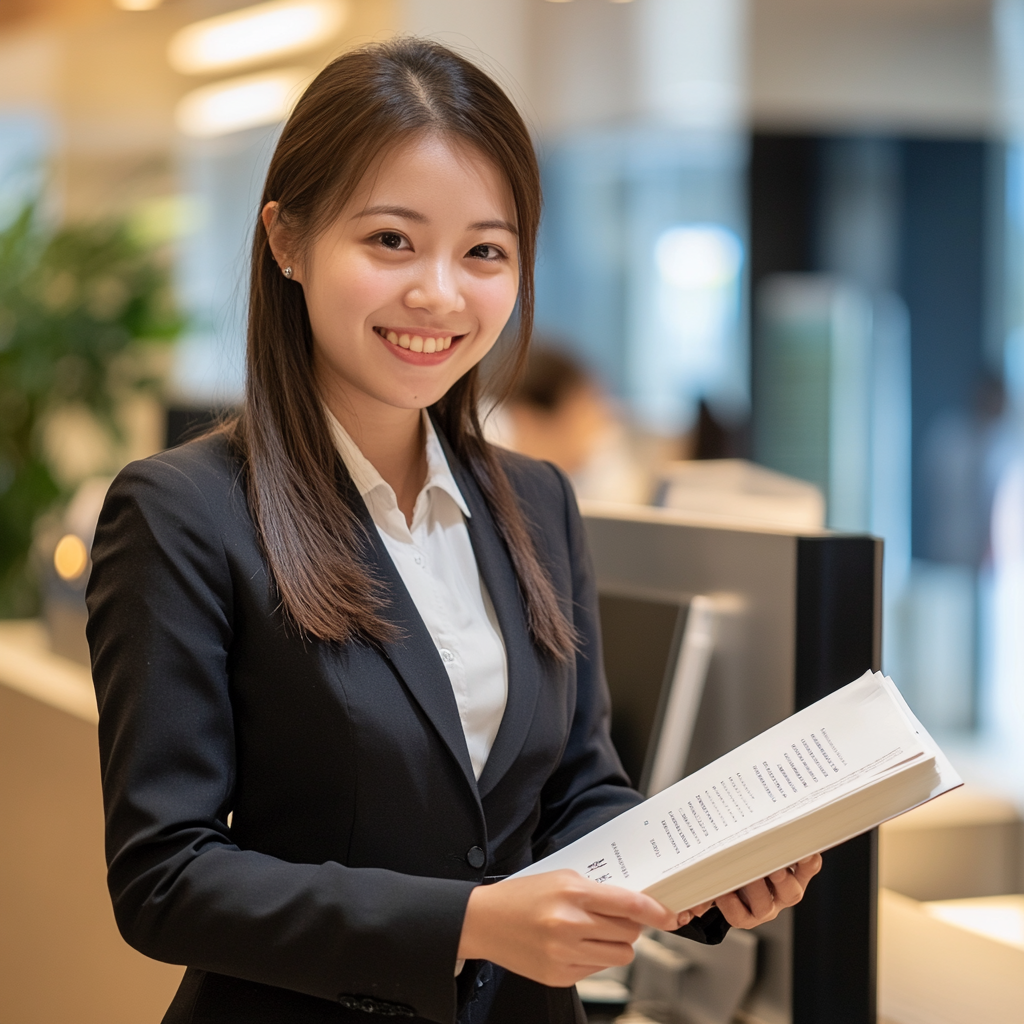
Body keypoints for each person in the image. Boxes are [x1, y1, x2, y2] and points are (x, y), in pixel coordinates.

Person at [86, 40, 820, 1024]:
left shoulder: (538, 501)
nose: (439, 292)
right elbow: (166, 878)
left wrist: (700, 870)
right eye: (391, 239)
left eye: (484, 250)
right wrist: (471, 921)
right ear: (287, 240)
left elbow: (573, 795)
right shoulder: (182, 510)